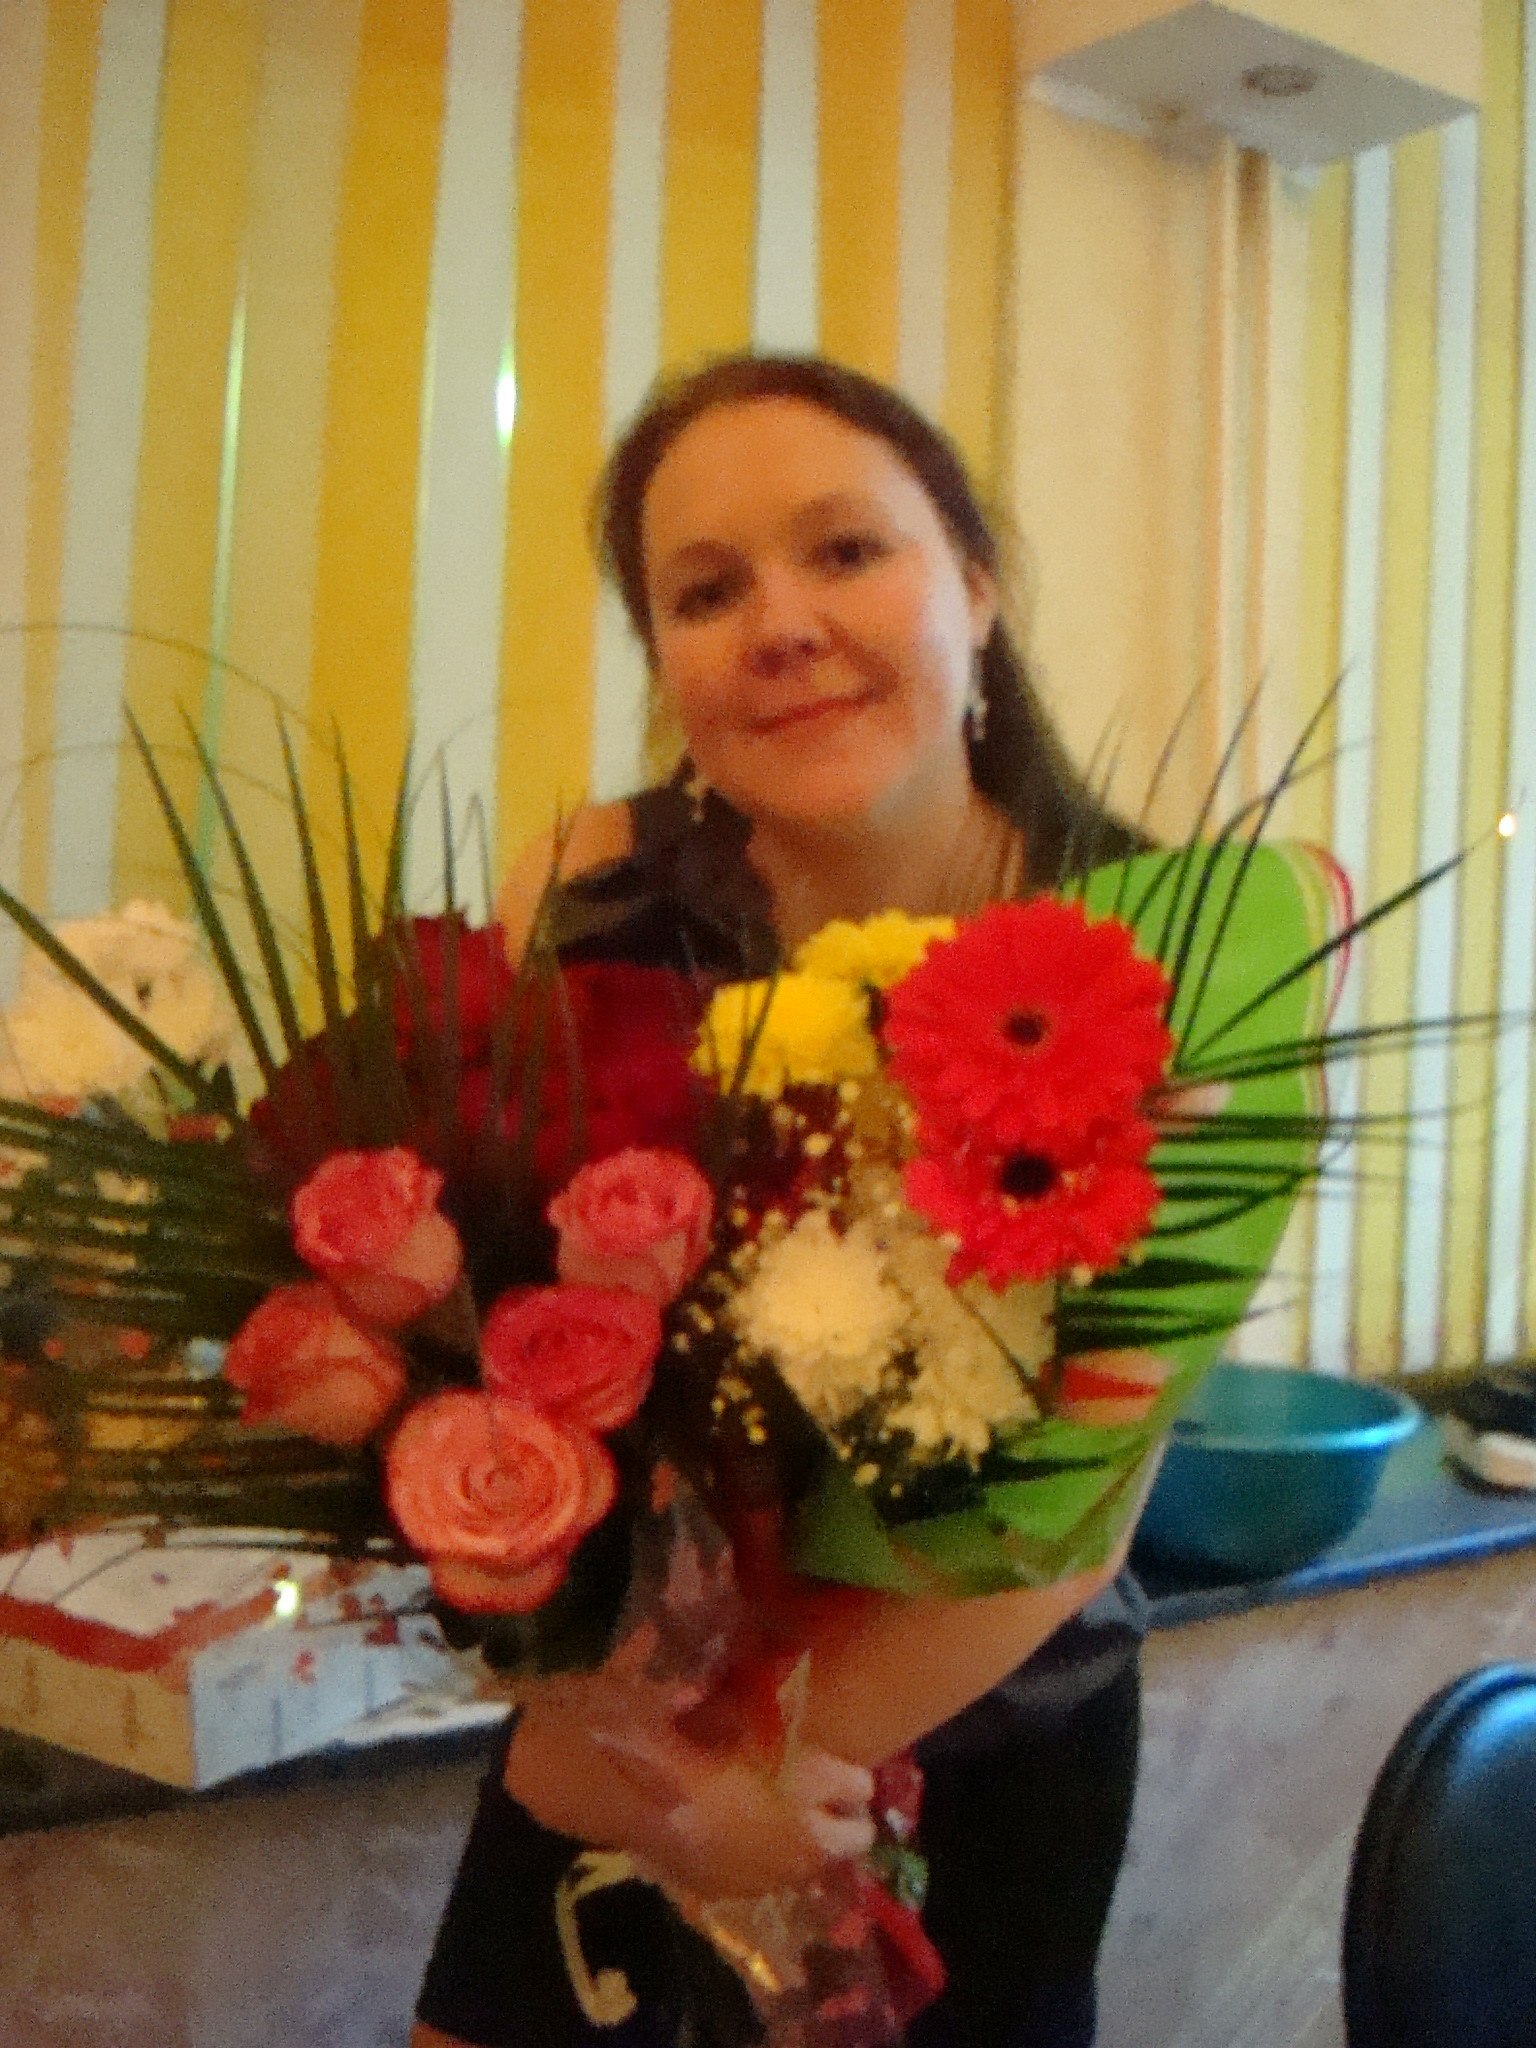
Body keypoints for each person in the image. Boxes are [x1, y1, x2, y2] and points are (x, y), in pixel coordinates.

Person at [412, 355, 1162, 2048]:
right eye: (706, 591)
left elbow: (1091, 1498)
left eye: (845, 551)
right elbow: (496, 1347)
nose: (781, 624)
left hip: (983, 1728)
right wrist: (623, 1732)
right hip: (620, 1710)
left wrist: (769, 1761)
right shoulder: (596, 896)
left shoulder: (1143, 944)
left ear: (976, 583)